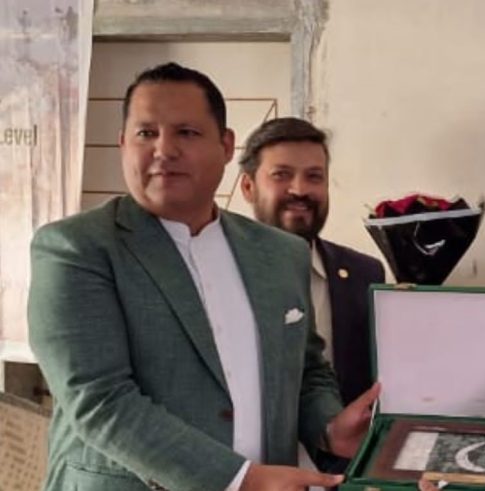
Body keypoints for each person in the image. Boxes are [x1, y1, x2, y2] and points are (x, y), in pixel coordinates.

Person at [28, 62, 378, 491]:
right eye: (146, 133)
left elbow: (305, 369)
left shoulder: (280, 252)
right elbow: (100, 401)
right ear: (122, 143)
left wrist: (329, 426)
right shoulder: (76, 248)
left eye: (187, 132)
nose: (164, 150)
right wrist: (241, 480)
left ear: (226, 145)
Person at [238, 117, 385, 406]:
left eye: (314, 176)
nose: (299, 189)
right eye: (281, 175)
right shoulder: (219, 270)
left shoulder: (365, 274)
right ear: (248, 187)